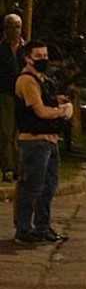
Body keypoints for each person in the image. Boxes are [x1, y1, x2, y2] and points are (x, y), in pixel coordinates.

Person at [13, 41, 73, 244]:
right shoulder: (27, 80)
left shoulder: (41, 79)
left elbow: (46, 100)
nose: (43, 60)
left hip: (48, 140)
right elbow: (39, 110)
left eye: (45, 55)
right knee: (33, 186)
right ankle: (23, 229)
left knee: (48, 186)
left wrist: (58, 101)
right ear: (28, 58)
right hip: (34, 141)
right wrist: (61, 112)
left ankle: (42, 227)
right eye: (38, 56)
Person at [0, 14, 25, 182]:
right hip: (6, 94)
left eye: (18, 27)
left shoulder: (26, 48)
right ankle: (7, 167)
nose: (15, 31)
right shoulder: (1, 49)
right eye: (12, 27)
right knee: (6, 131)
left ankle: (19, 167)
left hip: (23, 94)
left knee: (21, 132)